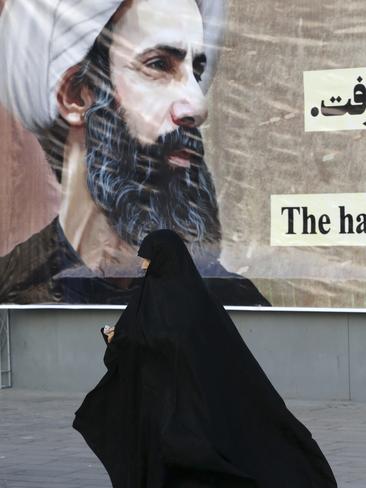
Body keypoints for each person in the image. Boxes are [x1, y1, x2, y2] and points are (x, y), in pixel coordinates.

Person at [0, 0, 269, 306]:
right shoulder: (12, 294)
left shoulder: (233, 305)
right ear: (76, 95)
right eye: (158, 65)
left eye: (196, 72)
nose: (197, 106)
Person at [72, 229, 337, 488]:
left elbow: (177, 340)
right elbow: (138, 335)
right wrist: (116, 337)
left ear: (164, 257)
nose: (142, 263)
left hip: (188, 397)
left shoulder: (187, 299)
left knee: (189, 451)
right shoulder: (153, 294)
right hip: (156, 394)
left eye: (147, 256)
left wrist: (126, 338)